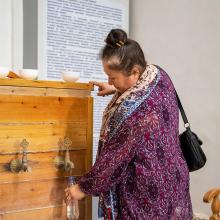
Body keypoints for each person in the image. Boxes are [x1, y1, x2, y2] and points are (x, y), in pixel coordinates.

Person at [64, 29, 193, 219]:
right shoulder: (158, 74)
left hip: (146, 192)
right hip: (174, 177)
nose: (109, 81)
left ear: (134, 72)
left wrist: (83, 187)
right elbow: (141, 90)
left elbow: (114, 158)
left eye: (113, 78)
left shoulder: (133, 113)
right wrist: (115, 88)